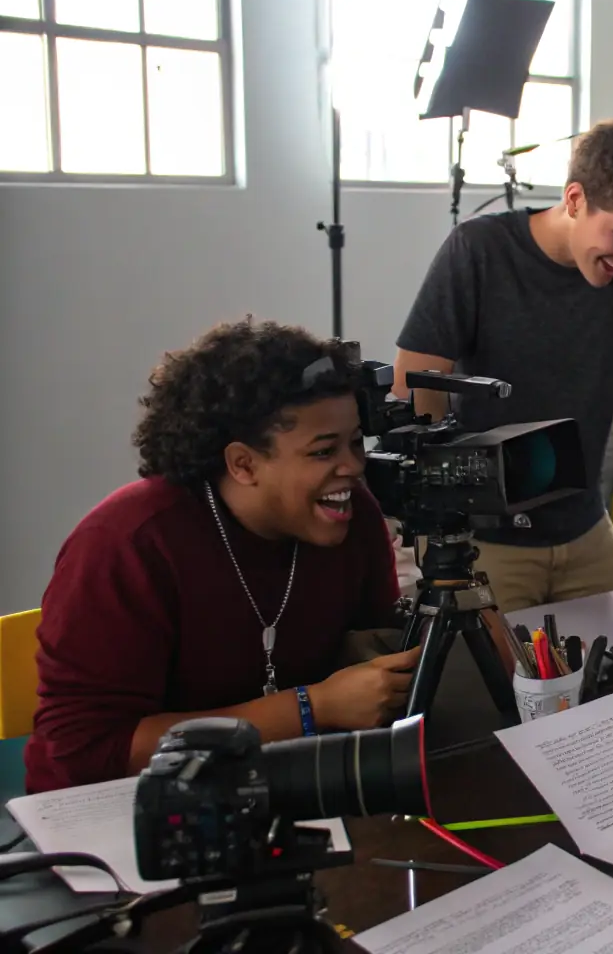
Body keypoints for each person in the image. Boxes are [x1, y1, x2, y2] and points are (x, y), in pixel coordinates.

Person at [27, 320, 415, 794]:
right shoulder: (129, 543)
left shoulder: (352, 518)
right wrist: (311, 709)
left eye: (356, 442)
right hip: (121, 810)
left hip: (286, 788)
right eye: (323, 451)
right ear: (243, 464)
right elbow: (89, 751)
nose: (353, 467)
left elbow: (377, 660)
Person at [393, 119, 613, 613]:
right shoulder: (478, 250)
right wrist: (436, 524)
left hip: (585, 528)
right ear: (575, 199)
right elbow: (416, 380)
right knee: (497, 687)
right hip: (486, 538)